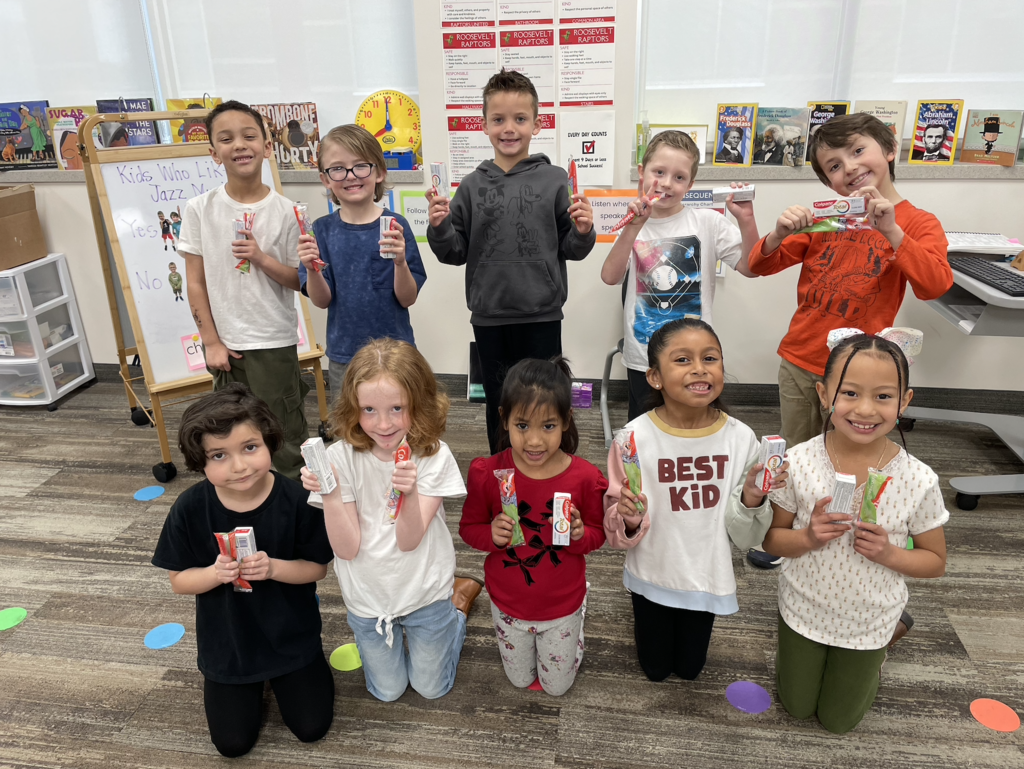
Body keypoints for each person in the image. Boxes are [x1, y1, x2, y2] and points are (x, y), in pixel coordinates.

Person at [745, 112, 951, 569]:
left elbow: (935, 284)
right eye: (833, 165)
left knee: (852, 454)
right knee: (796, 457)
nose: (849, 168)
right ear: (828, 182)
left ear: (889, 150)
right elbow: (758, 265)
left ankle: (847, 538)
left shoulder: (917, 222)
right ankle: (787, 536)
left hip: (857, 374)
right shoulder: (826, 219)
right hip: (799, 359)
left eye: (858, 151)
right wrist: (780, 231)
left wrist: (891, 229)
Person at [761, 328, 948, 734]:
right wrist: (808, 537)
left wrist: (890, 554)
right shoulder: (799, 462)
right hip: (804, 607)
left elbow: (935, 562)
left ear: (905, 402)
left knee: (839, 721)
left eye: (883, 396)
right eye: (849, 393)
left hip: (869, 618)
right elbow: (772, 539)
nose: (865, 410)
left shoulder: (918, 478)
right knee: (795, 706)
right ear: (824, 395)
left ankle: (889, 639)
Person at [151, 384, 335, 758]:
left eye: (249, 447)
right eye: (219, 455)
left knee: (312, 728)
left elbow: (317, 570)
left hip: (292, 637)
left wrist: (273, 568)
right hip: (228, 645)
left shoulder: (299, 501)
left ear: (269, 443)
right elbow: (178, 581)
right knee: (232, 744)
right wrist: (214, 574)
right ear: (199, 462)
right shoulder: (189, 508)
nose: (238, 466)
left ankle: (294, 673)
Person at [603, 318, 787, 683]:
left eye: (710, 358)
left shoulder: (740, 439)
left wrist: (752, 497)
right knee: (655, 670)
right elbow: (613, 518)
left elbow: (748, 534)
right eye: (683, 360)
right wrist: (628, 517)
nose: (700, 369)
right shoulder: (633, 438)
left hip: (707, 574)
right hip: (652, 570)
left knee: (690, 670)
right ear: (654, 377)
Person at [300, 338, 481, 702]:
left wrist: (410, 493)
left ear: (419, 403)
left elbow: (409, 539)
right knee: (388, 691)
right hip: (368, 598)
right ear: (353, 407)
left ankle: (455, 609)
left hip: (424, 591)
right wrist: (330, 492)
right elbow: (346, 549)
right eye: (368, 409)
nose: (383, 425)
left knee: (431, 688)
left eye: (397, 408)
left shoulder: (433, 455)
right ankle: (438, 615)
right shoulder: (340, 457)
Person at [426, 69, 596, 455]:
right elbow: (453, 252)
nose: (509, 128)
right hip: (490, 318)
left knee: (545, 399)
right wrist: (439, 226)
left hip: (542, 314)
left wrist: (584, 231)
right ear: (484, 125)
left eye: (520, 119)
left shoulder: (554, 180)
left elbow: (572, 248)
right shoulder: (470, 185)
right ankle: (501, 471)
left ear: (536, 124)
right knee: (499, 403)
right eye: (498, 119)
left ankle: (551, 467)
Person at [459, 356, 607, 695]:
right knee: (520, 680)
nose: (535, 441)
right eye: (522, 426)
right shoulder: (489, 473)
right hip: (507, 603)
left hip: (561, 605)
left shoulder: (585, 478)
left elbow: (598, 535)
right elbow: (468, 528)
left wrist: (581, 534)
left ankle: (576, 630)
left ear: (567, 421)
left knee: (556, 687)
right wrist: (491, 535)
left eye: (548, 426)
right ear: (504, 419)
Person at [179, 100, 309, 480]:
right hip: (228, 347)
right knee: (230, 435)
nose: (239, 145)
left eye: (249, 136)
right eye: (226, 138)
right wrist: (210, 341)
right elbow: (195, 281)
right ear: (213, 152)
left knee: (282, 436)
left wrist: (261, 257)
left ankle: (292, 510)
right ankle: (243, 504)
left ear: (268, 146)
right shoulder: (199, 209)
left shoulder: (287, 211)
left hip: (273, 341)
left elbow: (297, 280)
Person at [600, 130, 760, 421]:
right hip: (643, 355)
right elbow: (610, 277)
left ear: (691, 184)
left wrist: (746, 221)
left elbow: (751, 268)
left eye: (679, 177)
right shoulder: (634, 225)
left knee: (693, 427)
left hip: (695, 357)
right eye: (659, 172)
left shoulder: (708, 221)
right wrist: (633, 228)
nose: (666, 183)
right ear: (641, 172)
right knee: (644, 433)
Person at [297, 124, 426, 400]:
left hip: (396, 353)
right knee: (350, 428)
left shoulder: (394, 225)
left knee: (403, 423)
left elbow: (407, 298)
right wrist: (312, 269)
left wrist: (401, 263)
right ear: (325, 179)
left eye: (360, 166)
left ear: (379, 172)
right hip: (345, 355)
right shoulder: (320, 231)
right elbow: (321, 300)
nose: (350, 176)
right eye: (338, 168)